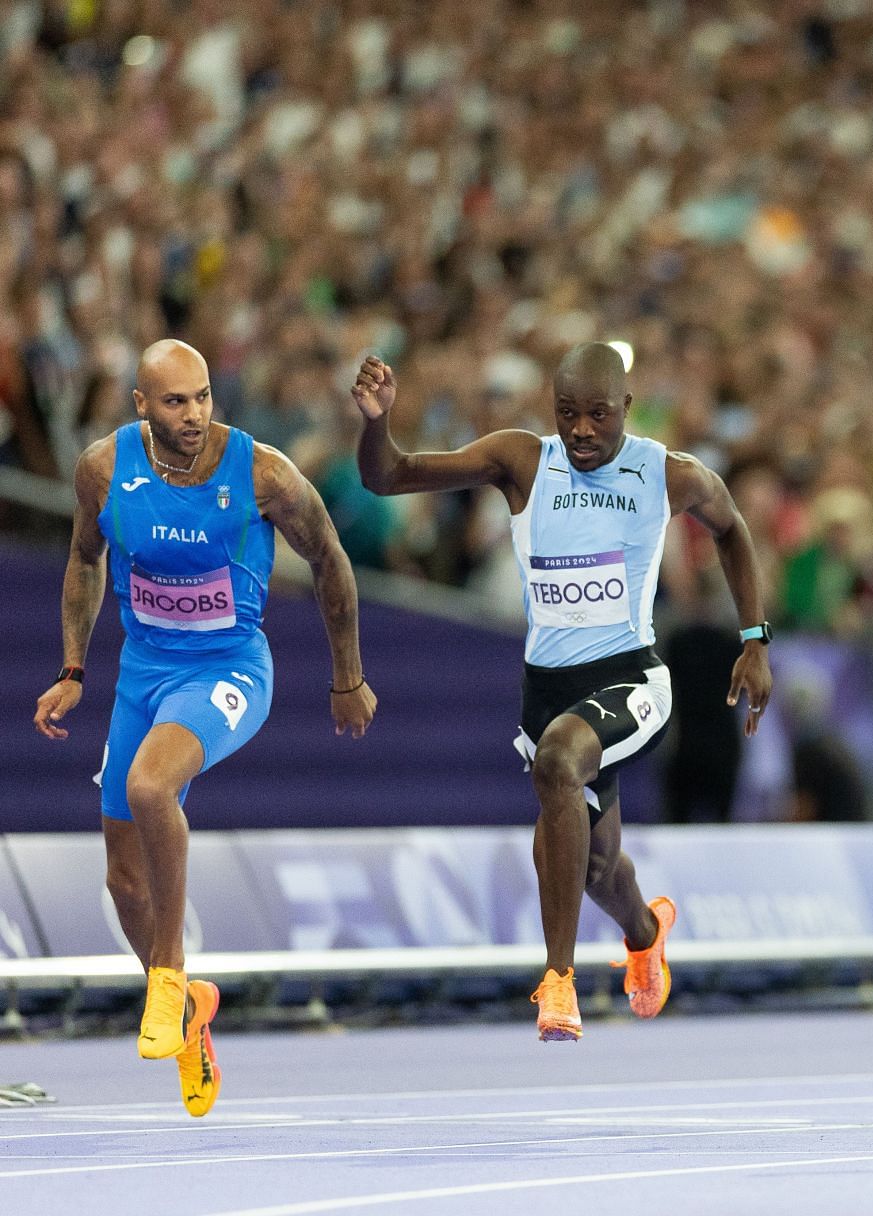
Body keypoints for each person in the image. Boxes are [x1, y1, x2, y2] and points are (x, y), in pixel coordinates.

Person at [352, 343, 773, 1041]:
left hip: (632, 679)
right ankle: (644, 932)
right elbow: (386, 477)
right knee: (597, 866)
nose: (581, 430)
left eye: (598, 416)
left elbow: (732, 532)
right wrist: (376, 422)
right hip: (548, 689)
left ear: (626, 411)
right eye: (567, 414)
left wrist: (754, 638)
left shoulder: (669, 474)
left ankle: (558, 980)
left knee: (558, 761)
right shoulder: (521, 460)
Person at [32, 339, 377, 1118]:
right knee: (122, 882)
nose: (195, 415)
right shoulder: (101, 468)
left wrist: (347, 677)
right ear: (141, 407)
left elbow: (329, 560)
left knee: (153, 785)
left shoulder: (263, 474)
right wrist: (73, 668)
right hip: (144, 676)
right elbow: (85, 560)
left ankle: (167, 976)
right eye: (176, 402)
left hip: (229, 670)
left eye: (203, 397)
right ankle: (191, 1014)